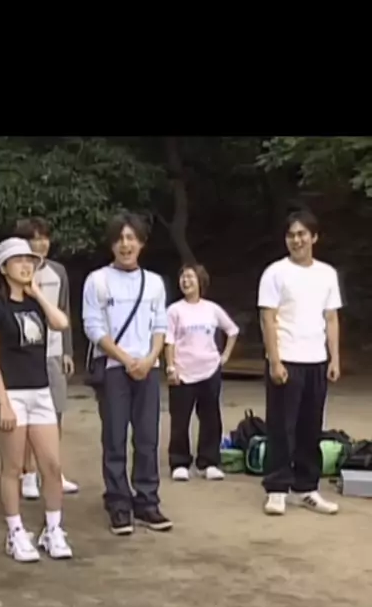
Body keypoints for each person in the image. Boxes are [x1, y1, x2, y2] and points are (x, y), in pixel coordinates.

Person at [0, 237, 73, 562]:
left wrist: (38, 295)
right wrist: (3, 402)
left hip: (40, 391)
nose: (26, 265)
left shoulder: (35, 303)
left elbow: (61, 323)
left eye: (30, 260)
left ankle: (53, 528)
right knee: (13, 467)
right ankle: (15, 531)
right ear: (3, 268)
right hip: (12, 393)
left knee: (52, 465)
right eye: (18, 260)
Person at [82, 211, 172, 536]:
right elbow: (93, 327)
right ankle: (118, 502)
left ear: (142, 243)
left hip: (148, 369)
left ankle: (147, 500)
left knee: (147, 438)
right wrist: (125, 359)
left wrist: (149, 359)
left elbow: (160, 325)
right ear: (111, 244)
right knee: (115, 438)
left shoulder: (154, 283)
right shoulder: (97, 280)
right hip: (113, 369)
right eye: (119, 238)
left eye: (131, 238)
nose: (125, 244)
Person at [258, 207, 342, 516]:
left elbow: (331, 318)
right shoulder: (275, 273)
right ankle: (277, 488)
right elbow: (268, 318)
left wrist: (334, 358)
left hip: (316, 360)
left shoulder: (327, 274)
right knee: (281, 426)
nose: (297, 240)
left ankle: (307, 487)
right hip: (287, 359)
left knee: (310, 427)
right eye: (291, 235)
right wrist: (274, 360)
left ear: (314, 237)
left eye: (302, 234)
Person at [13, 218, 78, 499]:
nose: (41, 244)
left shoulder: (58, 271)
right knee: (28, 417)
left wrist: (67, 350)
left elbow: (64, 310)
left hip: (53, 352)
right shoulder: (16, 271)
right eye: (34, 238)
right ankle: (27, 473)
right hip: (26, 354)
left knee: (55, 413)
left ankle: (52, 471)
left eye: (44, 238)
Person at [165, 263, 239, 481]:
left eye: (190, 277)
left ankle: (209, 462)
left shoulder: (212, 309)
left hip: (209, 370)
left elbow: (232, 330)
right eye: (183, 277)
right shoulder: (174, 310)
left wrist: (224, 357)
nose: (186, 281)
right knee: (180, 419)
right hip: (182, 372)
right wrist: (171, 367)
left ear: (200, 282)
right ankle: (179, 462)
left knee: (210, 418)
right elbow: (168, 340)